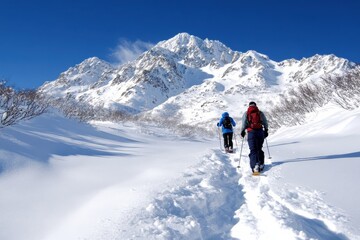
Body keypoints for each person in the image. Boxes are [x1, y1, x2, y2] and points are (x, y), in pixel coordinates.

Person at [240, 102, 269, 173]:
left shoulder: (246, 113)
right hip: (260, 132)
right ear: (256, 106)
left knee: (253, 149)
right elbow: (265, 122)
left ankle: (255, 166)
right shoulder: (260, 112)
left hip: (251, 132)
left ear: (249, 106)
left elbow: (244, 123)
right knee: (259, 148)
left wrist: (242, 131)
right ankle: (261, 164)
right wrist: (266, 130)